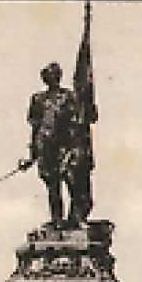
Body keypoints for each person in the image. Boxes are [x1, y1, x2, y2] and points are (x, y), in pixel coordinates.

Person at [24, 62, 95, 228]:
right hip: (45, 146)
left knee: (73, 182)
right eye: (48, 75)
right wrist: (31, 154)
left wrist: (73, 146)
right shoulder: (38, 99)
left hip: (65, 145)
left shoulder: (68, 96)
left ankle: (76, 218)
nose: (52, 78)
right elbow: (35, 126)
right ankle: (57, 220)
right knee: (53, 186)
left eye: (55, 74)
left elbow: (77, 121)